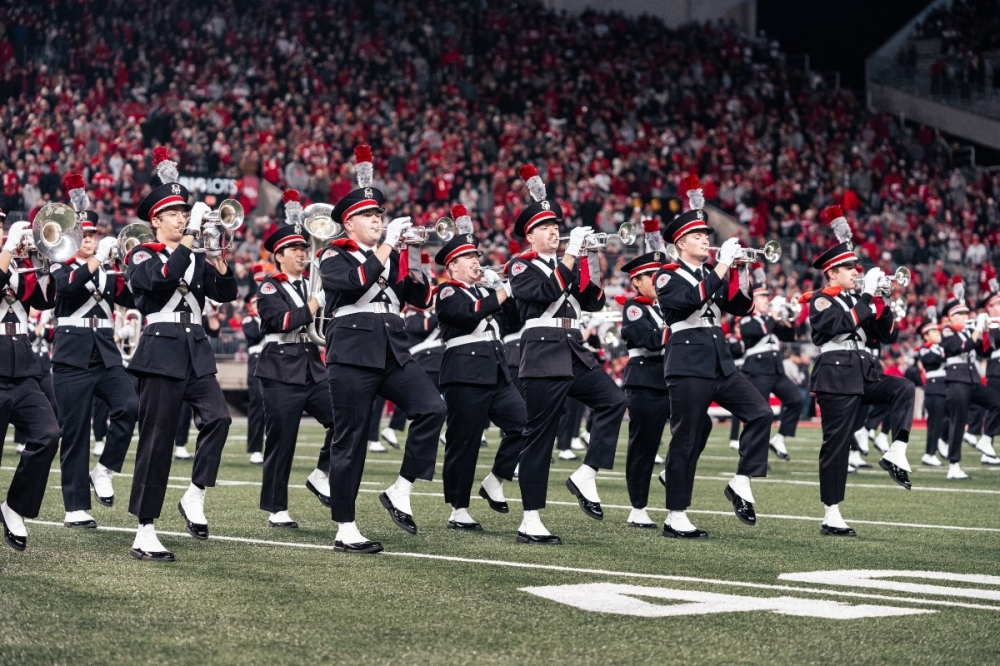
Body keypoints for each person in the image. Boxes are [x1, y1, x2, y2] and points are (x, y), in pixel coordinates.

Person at [319, 145, 446, 554]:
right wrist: (388, 247)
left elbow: (422, 299)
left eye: (380, 216)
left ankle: (401, 489)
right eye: (370, 216)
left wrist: (413, 253)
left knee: (432, 408)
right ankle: (345, 526)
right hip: (353, 349)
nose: (378, 220)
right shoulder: (332, 254)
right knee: (350, 439)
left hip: (393, 347)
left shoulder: (391, 256)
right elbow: (355, 283)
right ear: (349, 223)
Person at [125, 146, 237, 561]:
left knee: (220, 419)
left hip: (196, 350)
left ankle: (194, 495)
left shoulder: (196, 256)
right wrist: (190, 245)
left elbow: (226, 293)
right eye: (175, 213)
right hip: (161, 350)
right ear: (155, 220)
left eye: (184, 211)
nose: (183, 217)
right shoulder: (141, 253)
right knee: (156, 441)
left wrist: (219, 256)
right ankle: (144, 529)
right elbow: (159, 279)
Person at [507, 164, 626, 545]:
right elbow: (545, 293)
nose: (554, 231)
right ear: (530, 235)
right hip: (542, 351)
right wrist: (572, 253)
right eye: (546, 227)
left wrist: (588, 258)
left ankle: (586, 473)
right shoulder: (520, 265)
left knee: (613, 401)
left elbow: (592, 300)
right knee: (540, 436)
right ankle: (530, 518)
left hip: (573, 348)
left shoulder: (567, 264)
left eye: (556, 227)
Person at [654, 175, 770, 539]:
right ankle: (676, 515)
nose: (706, 239)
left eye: (707, 235)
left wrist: (742, 270)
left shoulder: (711, 273)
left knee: (761, 412)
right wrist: (722, 267)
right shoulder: (666, 275)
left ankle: (740, 480)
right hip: (687, 362)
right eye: (697, 236)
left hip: (719, 360)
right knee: (686, 438)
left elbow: (739, 306)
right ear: (679, 243)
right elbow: (689, 301)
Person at [806, 205, 914, 537]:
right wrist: (867, 296)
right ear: (831, 273)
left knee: (903, 389)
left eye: (856, 268)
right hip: (836, 374)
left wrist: (884, 300)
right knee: (836, 444)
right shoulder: (822, 300)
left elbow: (887, 336)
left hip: (863, 372)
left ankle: (897, 450)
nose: (856, 272)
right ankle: (831, 512)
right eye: (848, 268)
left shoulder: (859, 301)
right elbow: (838, 324)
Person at [49, 173, 138, 528]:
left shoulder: (107, 270)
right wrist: (98, 260)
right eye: (84, 236)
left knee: (130, 405)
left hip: (105, 353)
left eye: (93, 236)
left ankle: (104, 469)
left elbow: (137, 298)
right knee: (74, 431)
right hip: (71, 356)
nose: (90, 241)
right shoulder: (59, 265)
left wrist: (131, 265)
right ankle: (75, 507)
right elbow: (68, 290)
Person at [433, 205, 525, 530]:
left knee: (523, 424)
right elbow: (469, 314)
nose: (477, 261)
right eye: (468, 257)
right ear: (452, 265)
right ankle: (458, 509)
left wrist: (503, 289)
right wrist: (500, 291)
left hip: (496, 371)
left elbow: (513, 322)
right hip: (465, 373)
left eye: (477, 255)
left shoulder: (486, 291)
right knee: (465, 442)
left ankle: (496, 478)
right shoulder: (446, 291)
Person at [254, 190, 334, 528]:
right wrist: (315, 304)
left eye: (304, 248)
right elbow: (280, 321)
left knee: (345, 416)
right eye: (296, 250)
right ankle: (277, 509)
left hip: (311, 365)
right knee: (281, 440)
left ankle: (321, 473)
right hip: (280, 367)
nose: (303, 254)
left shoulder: (314, 284)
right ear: (279, 255)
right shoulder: (270, 287)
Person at [0, 218, 61, 551]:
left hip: (22, 367)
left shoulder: (18, 265)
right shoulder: (8, 259)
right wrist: (8, 250)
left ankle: (15, 507)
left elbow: (44, 302)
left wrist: (42, 265)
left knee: (47, 433)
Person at [619, 219, 675, 529]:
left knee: (700, 425)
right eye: (652, 277)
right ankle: (637, 507)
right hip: (645, 381)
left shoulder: (664, 308)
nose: (658, 282)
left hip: (669, 379)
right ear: (637, 281)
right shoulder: (635, 308)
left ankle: (672, 469)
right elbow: (651, 339)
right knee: (644, 445)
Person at [735, 284, 802, 461]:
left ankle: (779, 439)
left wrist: (788, 319)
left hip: (776, 370)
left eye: (767, 297)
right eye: (763, 297)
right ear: (753, 300)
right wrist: (772, 316)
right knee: (760, 414)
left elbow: (789, 337)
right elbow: (757, 331)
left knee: (796, 400)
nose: (767, 300)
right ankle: (753, 453)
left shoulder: (770, 320)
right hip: (757, 371)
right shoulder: (747, 319)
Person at [939, 298, 1000, 479]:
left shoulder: (969, 331)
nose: (966, 317)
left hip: (973, 381)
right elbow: (962, 347)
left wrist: (987, 332)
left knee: (997, 401)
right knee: (958, 423)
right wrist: (977, 329)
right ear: (951, 317)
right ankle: (954, 465)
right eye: (961, 314)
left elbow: (984, 352)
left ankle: (986, 439)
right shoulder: (948, 331)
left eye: (966, 314)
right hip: (956, 381)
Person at [916, 318, 947, 467]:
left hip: (944, 387)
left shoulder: (941, 348)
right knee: (935, 423)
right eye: (934, 332)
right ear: (926, 336)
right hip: (934, 388)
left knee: (945, 420)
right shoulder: (925, 349)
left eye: (938, 330)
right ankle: (930, 453)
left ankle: (942, 441)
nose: (938, 333)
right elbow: (931, 359)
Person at [241, 292, 266, 465]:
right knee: (257, 404)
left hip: (274, 360)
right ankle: (256, 449)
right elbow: (255, 335)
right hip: (257, 361)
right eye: (256, 302)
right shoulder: (249, 320)